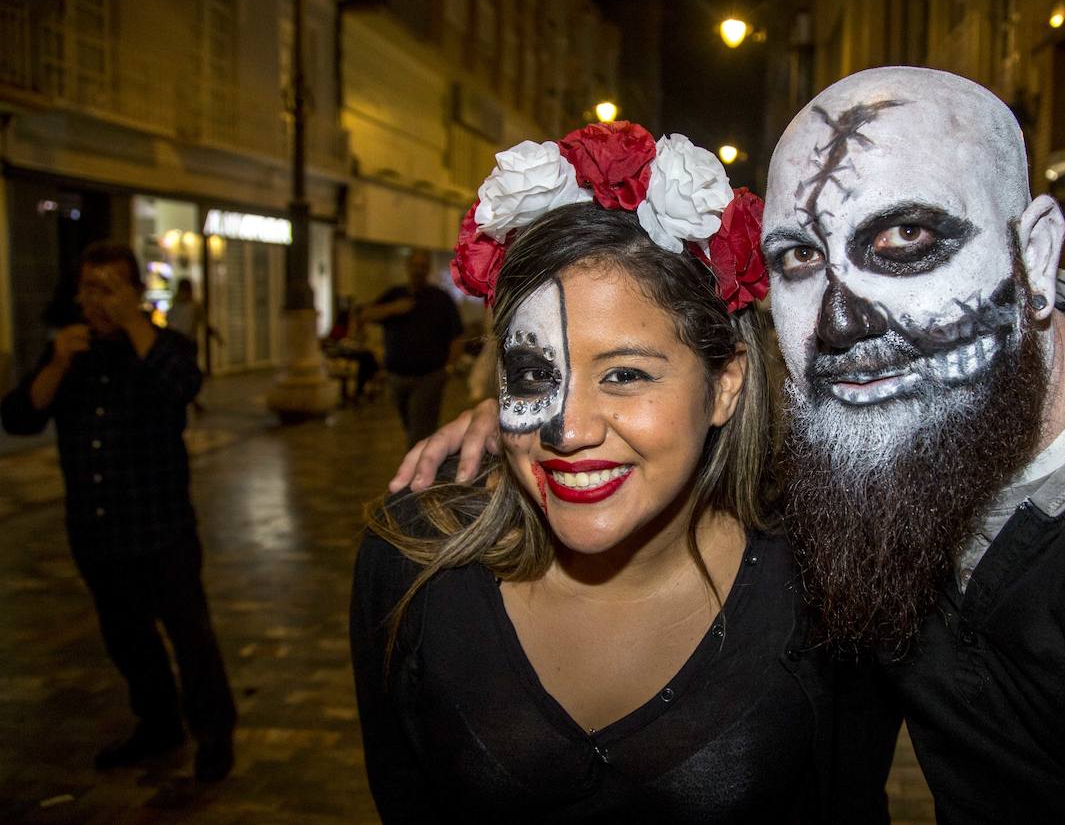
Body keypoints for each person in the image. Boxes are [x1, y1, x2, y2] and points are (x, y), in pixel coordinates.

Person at [391, 69, 1065, 819]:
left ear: (1034, 256)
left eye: (905, 241)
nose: (845, 316)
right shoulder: (849, 458)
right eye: (803, 258)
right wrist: (538, 403)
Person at [350, 124, 894, 822]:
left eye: (626, 374)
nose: (567, 431)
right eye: (533, 376)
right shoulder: (410, 565)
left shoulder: (827, 584)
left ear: (726, 383)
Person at [1, 241, 237, 782]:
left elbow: (184, 386)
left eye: (107, 288)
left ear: (132, 293)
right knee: (128, 639)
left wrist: (135, 325)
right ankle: (157, 725)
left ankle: (213, 733)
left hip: (161, 529)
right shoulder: (69, 352)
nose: (94, 300)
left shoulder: (165, 346)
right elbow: (19, 419)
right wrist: (57, 362)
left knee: (190, 635)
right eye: (87, 288)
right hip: (97, 531)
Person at [360, 249, 464, 447]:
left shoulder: (440, 298)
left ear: (428, 269)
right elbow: (365, 314)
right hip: (398, 376)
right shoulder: (395, 295)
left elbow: (457, 337)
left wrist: (448, 369)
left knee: (420, 433)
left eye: (423, 266)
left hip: (429, 376)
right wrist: (393, 309)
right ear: (407, 267)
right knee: (410, 426)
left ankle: (418, 473)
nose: (418, 270)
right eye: (415, 265)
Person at [165, 277, 218, 412]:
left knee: (187, 373)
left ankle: (191, 400)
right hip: (177, 344)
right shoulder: (174, 306)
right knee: (181, 374)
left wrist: (216, 336)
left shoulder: (194, 306)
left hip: (188, 344)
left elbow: (205, 324)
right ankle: (191, 401)